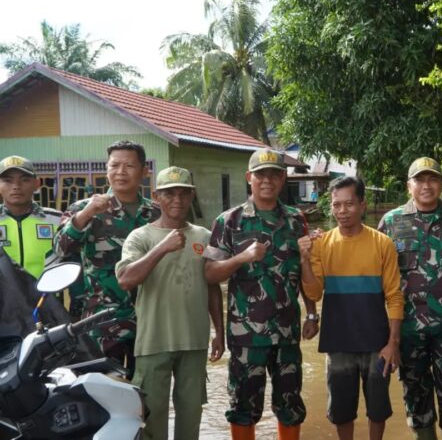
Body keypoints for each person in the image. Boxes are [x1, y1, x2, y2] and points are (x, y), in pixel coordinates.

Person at [203, 149, 317, 440]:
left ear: (283, 178)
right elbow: (210, 274)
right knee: (243, 406)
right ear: (248, 178)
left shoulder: (296, 220)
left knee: (290, 404)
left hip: (288, 332)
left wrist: (313, 313)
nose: (267, 180)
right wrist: (242, 258)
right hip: (246, 337)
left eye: (274, 174)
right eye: (260, 174)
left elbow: (303, 271)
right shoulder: (228, 221)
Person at [115, 166, 224, 440]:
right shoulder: (140, 237)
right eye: (169, 193)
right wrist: (162, 247)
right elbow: (126, 279)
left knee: (190, 421)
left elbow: (212, 285)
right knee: (151, 420)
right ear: (156, 196)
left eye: (184, 194)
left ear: (191, 197)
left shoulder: (204, 237)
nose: (177, 200)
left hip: (194, 342)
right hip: (153, 343)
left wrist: (219, 333)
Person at [378, 157, 442, 440]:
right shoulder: (391, 221)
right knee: (415, 393)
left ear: (441, 184)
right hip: (407, 329)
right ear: (409, 185)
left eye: (432, 179)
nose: (426, 185)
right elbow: (378, 272)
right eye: (419, 180)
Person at [298, 176, 404, 440]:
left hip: (376, 342)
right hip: (339, 341)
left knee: (378, 410)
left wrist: (393, 342)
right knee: (342, 411)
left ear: (362, 205)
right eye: (336, 205)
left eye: (349, 204)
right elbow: (313, 292)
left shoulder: (382, 243)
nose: (342, 211)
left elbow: (394, 295)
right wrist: (305, 260)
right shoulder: (321, 243)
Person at [53, 141, 160, 377]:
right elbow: (60, 250)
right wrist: (85, 215)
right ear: (106, 168)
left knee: (146, 391)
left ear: (144, 171)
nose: (121, 172)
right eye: (115, 165)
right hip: (101, 321)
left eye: (129, 166)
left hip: (149, 321)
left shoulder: (155, 213)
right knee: (100, 390)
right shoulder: (84, 208)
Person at [0, 155, 61, 278]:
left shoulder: (57, 220)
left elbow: (72, 262)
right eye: (8, 180)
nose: (16, 186)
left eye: (25, 180)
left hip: (46, 295)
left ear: (37, 184)